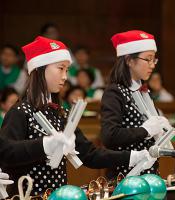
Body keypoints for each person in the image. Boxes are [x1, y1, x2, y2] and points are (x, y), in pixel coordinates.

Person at [0, 36, 151, 196]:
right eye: (61, 68)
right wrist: (44, 145)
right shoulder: (19, 111)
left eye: (66, 70)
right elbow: (6, 152)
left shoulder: (59, 113)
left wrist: (132, 156)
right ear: (40, 68)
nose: (65, 76)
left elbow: (90, 154)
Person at [101, 30, 170, 178]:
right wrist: (145, 130)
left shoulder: (143, 91)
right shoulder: (115, 92)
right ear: (129, 60)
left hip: (149, 173)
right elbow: (109, 136)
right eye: (148, 59)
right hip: (125, 175)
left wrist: (162, 130)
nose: (152, 65)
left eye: (154, 60)